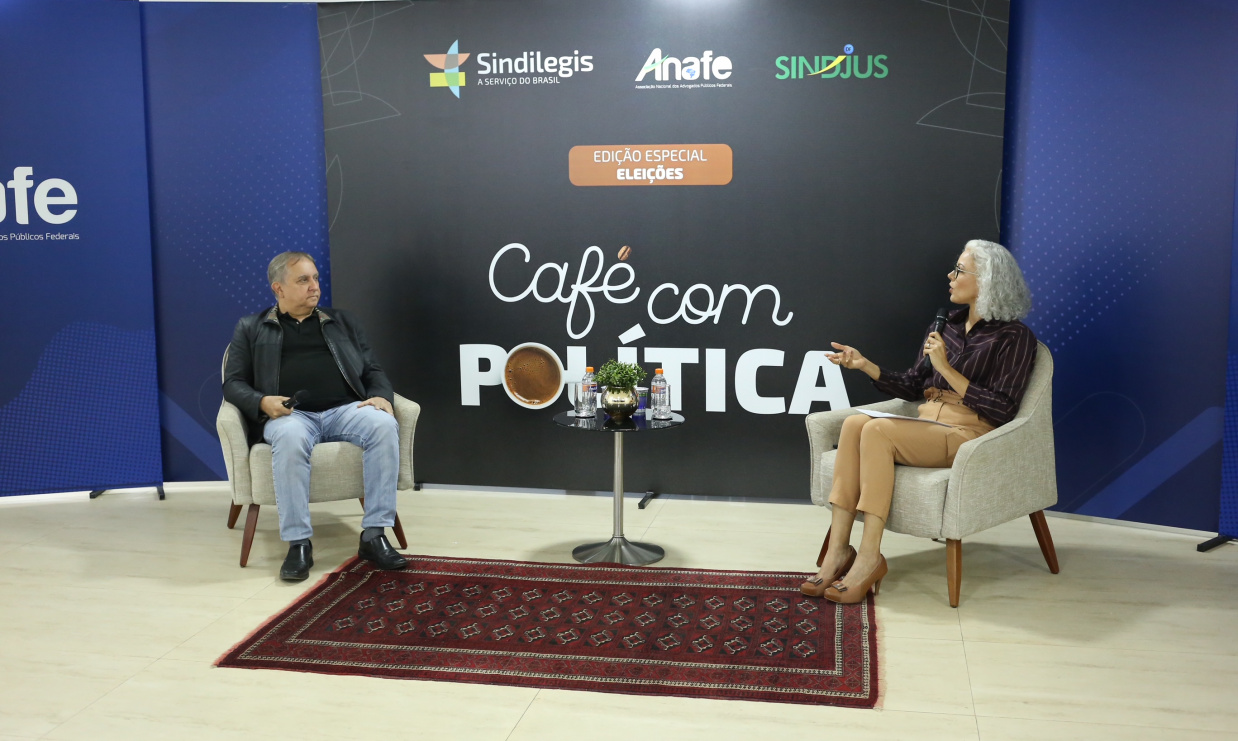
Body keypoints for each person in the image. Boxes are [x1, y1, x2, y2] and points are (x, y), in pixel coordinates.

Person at [804, 239, 1036, 603]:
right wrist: (864, 365)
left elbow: (1004, 409)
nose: (951, 276)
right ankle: (838, 552)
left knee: (877, 430)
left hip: (968, 433)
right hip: (927, 424)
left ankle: (869, 558)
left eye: (960, 270)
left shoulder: (1015, 337)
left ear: (987, 280)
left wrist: (947, 368)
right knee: (853, 425)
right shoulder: (947, 326)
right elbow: (913, 386)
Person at [223, 251, 407, 581]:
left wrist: (380, 395)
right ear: (278, 288)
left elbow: (372, 369)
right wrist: (262, 402)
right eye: (303, 280)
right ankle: (298, 543)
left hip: (345, 410)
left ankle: (374, 534)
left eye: (316, 278)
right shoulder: (251, 327)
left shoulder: (343, 322)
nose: (315, 286)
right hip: (291, 416)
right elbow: (233, 383)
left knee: (382, 424)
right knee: (290, 436)